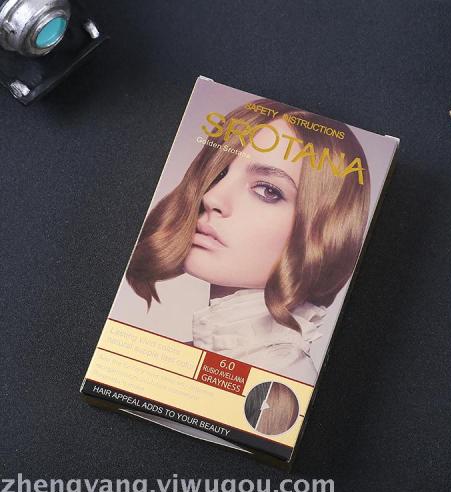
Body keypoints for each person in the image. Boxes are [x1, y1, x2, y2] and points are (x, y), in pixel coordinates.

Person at [126, 98, 371, 385]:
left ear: (324, 232)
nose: (212, 197)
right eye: (219, 173)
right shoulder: (210, 354)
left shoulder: (280, 377)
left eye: (268, 190)